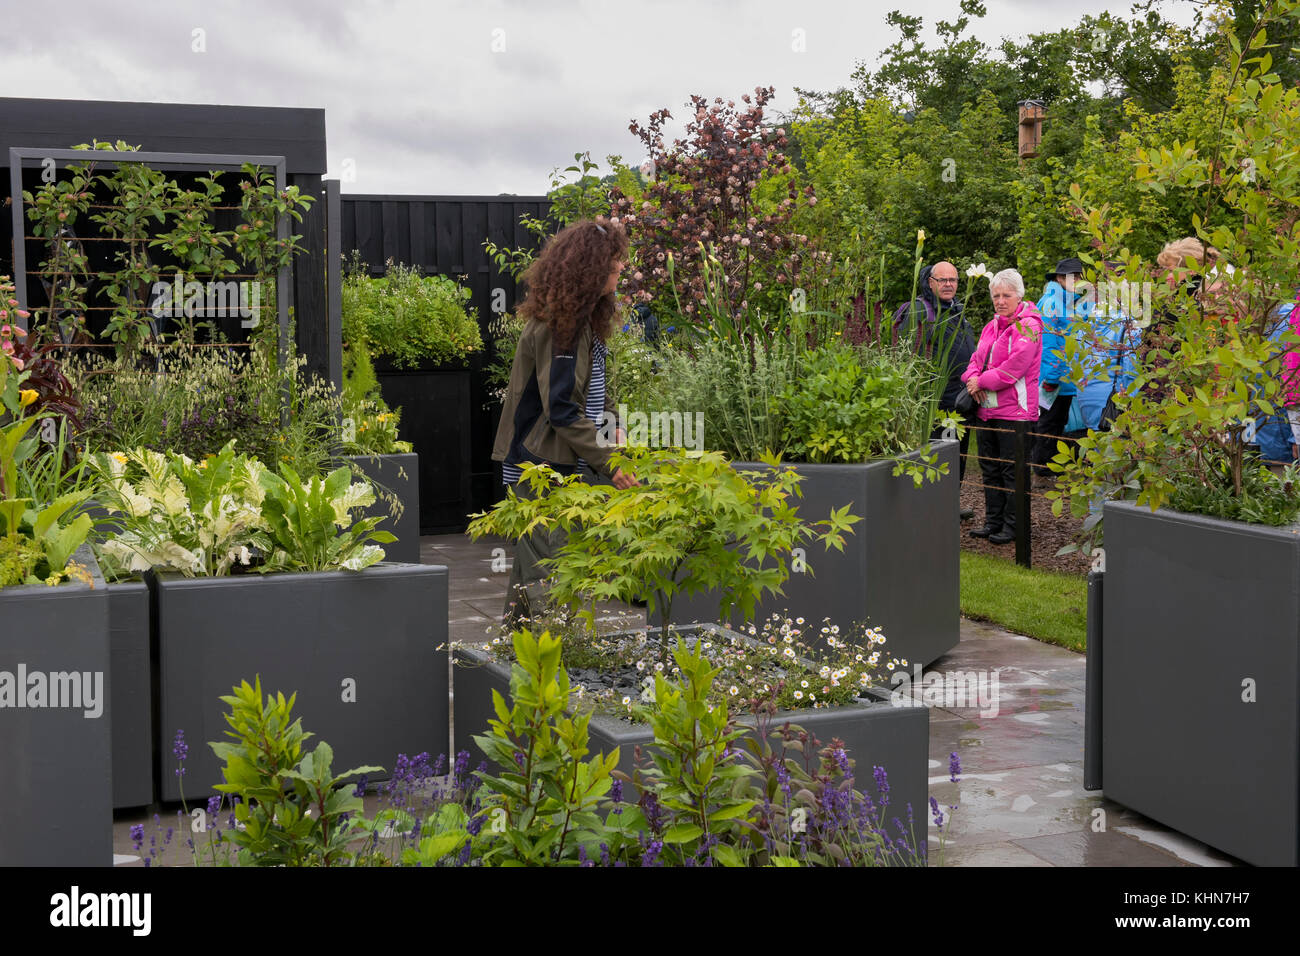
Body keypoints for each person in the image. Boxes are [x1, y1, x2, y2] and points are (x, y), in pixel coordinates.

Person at [491, 217, 637, 626]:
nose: (621, 268)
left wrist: (613, 423)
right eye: (614, 261)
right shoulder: (561, 327)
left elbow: (592, 391)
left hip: (554, 462)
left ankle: (515, 659)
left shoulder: (583, 319)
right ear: (590, 268)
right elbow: (561, 409)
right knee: (546, 576)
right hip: (536, 466)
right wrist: (611, 464)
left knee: (530, 572)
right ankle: (551, 674)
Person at [962, 269, 1043, 546]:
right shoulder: (990, 326)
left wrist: (979, 382)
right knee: (990, 469)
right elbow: (975, 358)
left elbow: (1014, 368)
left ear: (1019, 296)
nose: (1000, 300)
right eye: (996, 295)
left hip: (1015, 413)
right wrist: (972, 379)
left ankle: (1014, 526)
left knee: (1012, 472)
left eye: (1006, 295)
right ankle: (993, 522)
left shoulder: (1029, 325)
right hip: (986, 409)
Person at [893, 260, 978, 518]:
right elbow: (910, 358)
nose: (949, 284)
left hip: (960, 401)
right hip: (934, 402)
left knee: (956, 454)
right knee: (935, 454)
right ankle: (930, 508)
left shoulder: (955, 310)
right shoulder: (921, 312)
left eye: (953, 280)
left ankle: (948, 505)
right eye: (943, 280)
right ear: (929, 282)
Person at [1031, 258, 1087, 478]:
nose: (1079, 281)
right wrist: (1053, 378)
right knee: (1048, 424)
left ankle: (1050, 469)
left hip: (1064, 379)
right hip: (1053, 379)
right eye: (1074, 277)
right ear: (1060, 278)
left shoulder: (1069, 302)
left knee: (1056, 423)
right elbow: (1050, 344)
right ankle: (1043, 472)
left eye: (1080, 277)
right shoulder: (1053, 303)